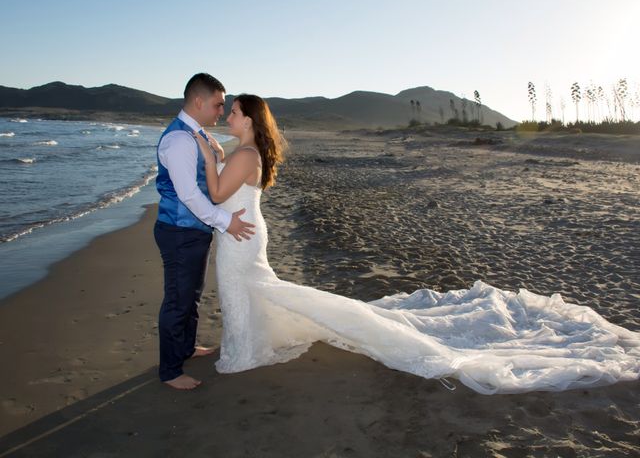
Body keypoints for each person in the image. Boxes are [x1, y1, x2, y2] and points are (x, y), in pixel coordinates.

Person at [193, 94, 640, 394]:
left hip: (241, 234)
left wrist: (207, 152)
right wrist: (216, 155)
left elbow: (214, 194)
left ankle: (246, 351)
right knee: (251, 291)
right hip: (242, 230)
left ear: (249, 120)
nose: (226, 117)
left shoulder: (245, 154)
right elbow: (224, 190)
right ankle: (246, 346)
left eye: (231, 112)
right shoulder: (244, 153)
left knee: (251, 288)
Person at [154, 73, 255, 390]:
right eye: (218, 104)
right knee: (177, 301)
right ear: (198, 101)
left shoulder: (197, 136)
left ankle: (185, 348)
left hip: (193, 231)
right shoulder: (180, 140)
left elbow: (205, 179)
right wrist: (226, 222)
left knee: (191, 296)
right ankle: (170, 371)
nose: (221, 112)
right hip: (180, 231)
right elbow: (189, 195)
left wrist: (217, 157)